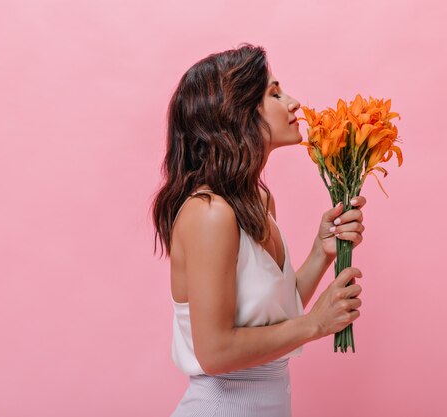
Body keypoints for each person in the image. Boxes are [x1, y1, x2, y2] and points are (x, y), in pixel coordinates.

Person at [151, 43, 366, 416]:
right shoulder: (209, 214)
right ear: (237, 114)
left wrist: (321, 250)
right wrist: (315, 323)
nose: (293, 102)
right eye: (274, 93)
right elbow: (215, 351)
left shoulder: (257, 204)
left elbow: (270, 314)